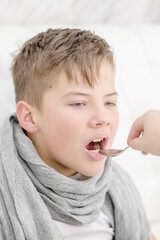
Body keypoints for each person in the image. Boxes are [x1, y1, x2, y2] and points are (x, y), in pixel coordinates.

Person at [0, 28, 154, 240]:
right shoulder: (6, 194)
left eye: (109, 102)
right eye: (79, 103)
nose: (103, 117)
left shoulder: (116, 188)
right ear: (29, 117)